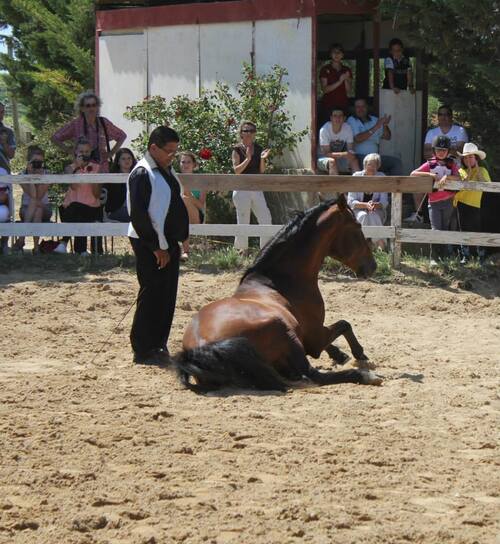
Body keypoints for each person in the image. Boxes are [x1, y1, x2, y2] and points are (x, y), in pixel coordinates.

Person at [127, 126, 189, 366]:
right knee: (151, 293)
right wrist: (156, 247)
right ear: (154, 148)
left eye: (175, 151)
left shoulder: (165, 170)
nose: (172, 156)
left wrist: (182, 235)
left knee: (166, 295)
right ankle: (143, 348)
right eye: (169, 151)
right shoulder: (142, 174)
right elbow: (140, 216)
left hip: (167, 242)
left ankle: (158, 343)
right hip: (149, 242)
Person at [411, 135, 460, 264]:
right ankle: (434, 257)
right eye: (438, 150)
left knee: (445, 228)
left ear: (448, 151)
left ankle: (444, 256)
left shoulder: (452, 164)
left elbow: (458, 177)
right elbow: (413, 173)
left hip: (448, 201)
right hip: (433, 202)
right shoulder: (430, 164)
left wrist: (447, 177)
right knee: (436, 228)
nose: (441, 153)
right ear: (434, 151)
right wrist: (431, 174)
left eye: (444, 150)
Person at [52, 90, 126, 173]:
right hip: (81, 169)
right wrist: (70, 151)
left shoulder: (104, 123)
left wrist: (111, 153)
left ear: (97, 107)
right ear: (82, 108)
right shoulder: (76, 124)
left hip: (101, 168)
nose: (91, 108)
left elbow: (122, 136)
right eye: (88, 106)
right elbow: (55, 138)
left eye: (94, 105)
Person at [54, 138, 103, 255]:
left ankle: (65, 243)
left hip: (91, 208)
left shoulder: (96, 168)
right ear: (76, 152)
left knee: (78, 209)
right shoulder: (69, 168)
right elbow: (74, 186)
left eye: (87, 151)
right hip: (72, 209)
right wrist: (77, 167)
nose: (84, 154)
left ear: (90, 152)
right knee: (76, 208)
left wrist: (94, 179)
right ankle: (80, 250)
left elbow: (97, 194)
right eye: (81, 151)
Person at [231, 120, 272, 252]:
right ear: (241, 133)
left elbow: (261, 171)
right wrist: (248, 159)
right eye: (246, 130)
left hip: (256, 188)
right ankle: (241, 251)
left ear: (254, 133)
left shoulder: (259, 148)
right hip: (241, 189)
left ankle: (265, 250)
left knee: (265, 218)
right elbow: (236, 171)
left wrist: (262, 159)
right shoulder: (237, 149)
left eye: (251, 131)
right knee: (243, 220)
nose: (248, 133)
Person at [347, 98, 402, 176]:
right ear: (354, 109)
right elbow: (358, 139)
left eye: (363, 106)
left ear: (367, 107)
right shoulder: (351, 120)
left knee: (396, 162)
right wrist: (376, 127)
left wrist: (385, 125)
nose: (360, 109)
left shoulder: (374, 120)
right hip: (360, 157)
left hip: (375, 158)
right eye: (358, 107)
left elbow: (387, 137)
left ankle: (393, 187)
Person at [455, 142, 490, 262]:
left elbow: (486, 184)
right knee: (463, 229)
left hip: (475, 204)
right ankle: (465, 255)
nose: (468, 159)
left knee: (477, 228)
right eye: (465, 157)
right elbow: (464, 182)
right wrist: (469, 170)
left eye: (471, 157)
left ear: (476, 158)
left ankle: (481, 255)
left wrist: (477, 169)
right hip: (461, 202)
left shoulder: (483, 170)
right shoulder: (460, 170)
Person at [14, 146, 53, 254]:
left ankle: (21, 239)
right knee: (37, 210)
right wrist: (30, 176)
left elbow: (39, 196)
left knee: (38, 206)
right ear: (29, 162)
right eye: (35, 162)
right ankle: (36, 249)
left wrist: (39, 177)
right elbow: (32, 195)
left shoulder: (47, 174)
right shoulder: (22, 175)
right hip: (26, 209)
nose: (38, 164)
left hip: (45, 208)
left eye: (40, 162)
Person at [347, 153, 389, 250]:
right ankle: (360, 245)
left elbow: (384, 202)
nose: (371, 167)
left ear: (378, 166)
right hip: (358, 210)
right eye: (369, 164)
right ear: (364, 165)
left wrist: (374, 205)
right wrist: (366, 205)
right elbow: (351, 201)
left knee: (372, 215)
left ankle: (380, 245)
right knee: (363, 216)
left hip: (376, 210)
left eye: (374, 165)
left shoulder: (382, 178)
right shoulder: (356, 177)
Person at [178, 151, 206, 260]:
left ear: (194, 165)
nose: (185, 165)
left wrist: (189, 195)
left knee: (184, 199)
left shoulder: (200, 182)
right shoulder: (175, 179)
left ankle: (186, 251)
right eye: (183, 162)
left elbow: (201, 206)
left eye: (188, 162)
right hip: (178, 215)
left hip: (196, 216)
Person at [319, 43, 352, 128]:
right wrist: (340, 81)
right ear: (330, 54)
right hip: (328, 106)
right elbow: (325, 89)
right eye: (334, 52)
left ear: (342, 55)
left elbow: (348, 91)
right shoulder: (325, 69)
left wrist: (346, 79)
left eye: (339, 52)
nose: (336, 54)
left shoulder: (346, 69)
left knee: (343, 129)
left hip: (343, 105)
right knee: (327, 129)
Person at [317, 108, 359, 176]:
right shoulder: (324, 130)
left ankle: (358, 184)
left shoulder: (347, 128)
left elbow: (350, 150)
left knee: (354, 160)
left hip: (339, 158)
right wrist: (344, 154)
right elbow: (326, 154)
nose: (338, 118)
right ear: (331, 118)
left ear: (344, 118)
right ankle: (335, 186)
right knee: (332, 161)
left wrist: (350, 154)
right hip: (322, 158)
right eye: (335, 116)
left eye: (340, 116)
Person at [104, 148, 137, 222]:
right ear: (118, 161)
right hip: (116, 210)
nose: (127, 161)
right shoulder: (112, 177)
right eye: (123, 159)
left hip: (134, 210)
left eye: (129, 158)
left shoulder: (138, 175)